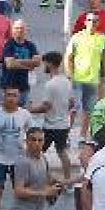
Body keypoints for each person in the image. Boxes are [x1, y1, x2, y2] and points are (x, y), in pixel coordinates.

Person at [29, 51, 72, 183]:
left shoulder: (50, 85)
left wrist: (31, 109)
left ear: (50, 64)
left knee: (37, 151)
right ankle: (68, 180)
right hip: (64, 124)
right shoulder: (66, 81)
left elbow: (46, 106)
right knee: (62, 152)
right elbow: (71, 102)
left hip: (50, 125)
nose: (43, 67)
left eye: (44, 63)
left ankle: (34, 177)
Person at [65, 13, 105, 139]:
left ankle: (82, 136)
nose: (92, 23)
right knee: (73, 108)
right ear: (85, 22)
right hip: (77, 78)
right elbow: (68, 57)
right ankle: (66, 134)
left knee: (88, 110)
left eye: (95, 21)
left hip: (93, 79)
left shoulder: (102, 38)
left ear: (98, 23)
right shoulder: (77, 37)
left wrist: (104, 75)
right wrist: (69, 74)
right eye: (89, 20)